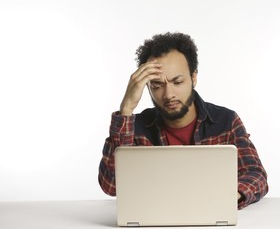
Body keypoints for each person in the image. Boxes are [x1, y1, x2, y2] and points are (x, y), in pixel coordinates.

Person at [98, 32, 268, 209]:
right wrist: (126, 110)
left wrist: (230, 197)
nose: (168, 95)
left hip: (211, 213)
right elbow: (111, 186)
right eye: (156, 86)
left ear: (193, 78)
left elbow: (255, 174)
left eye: (177, 82)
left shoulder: (225, 121)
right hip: (155, 215)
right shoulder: (135, 127)